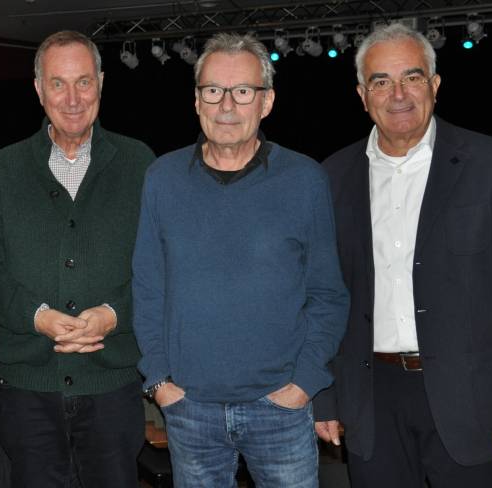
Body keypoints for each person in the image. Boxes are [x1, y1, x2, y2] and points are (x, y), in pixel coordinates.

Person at [132, 33, 349, 488]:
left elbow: (328, 294)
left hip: (281, 410)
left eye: (242, 91)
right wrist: (160, 383)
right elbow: (147, 288)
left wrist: (304, 384)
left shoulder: (304, 179)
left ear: (266, 102)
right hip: (189, 409)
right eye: (213, 90)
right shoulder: (162, 179)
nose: (226, 105)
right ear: (197, 101)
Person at [314, 23, 492, 486]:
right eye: (381, 81)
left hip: (474, 402)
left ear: (435, 85)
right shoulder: (331, 177)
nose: (397, 93)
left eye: (412, 77)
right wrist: (325, 398)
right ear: (362, 95)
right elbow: (321, 294)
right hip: (372, 402)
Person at [0, 30, 155, 487]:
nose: (72, 98)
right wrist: (38, 318)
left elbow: (162, 268)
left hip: (113, 390)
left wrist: (113, 315)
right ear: (37, 88)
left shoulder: (139, 163)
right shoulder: (3, 169)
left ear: (102, 84)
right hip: (28, 394)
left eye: (83, 82)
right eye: (58, 83)